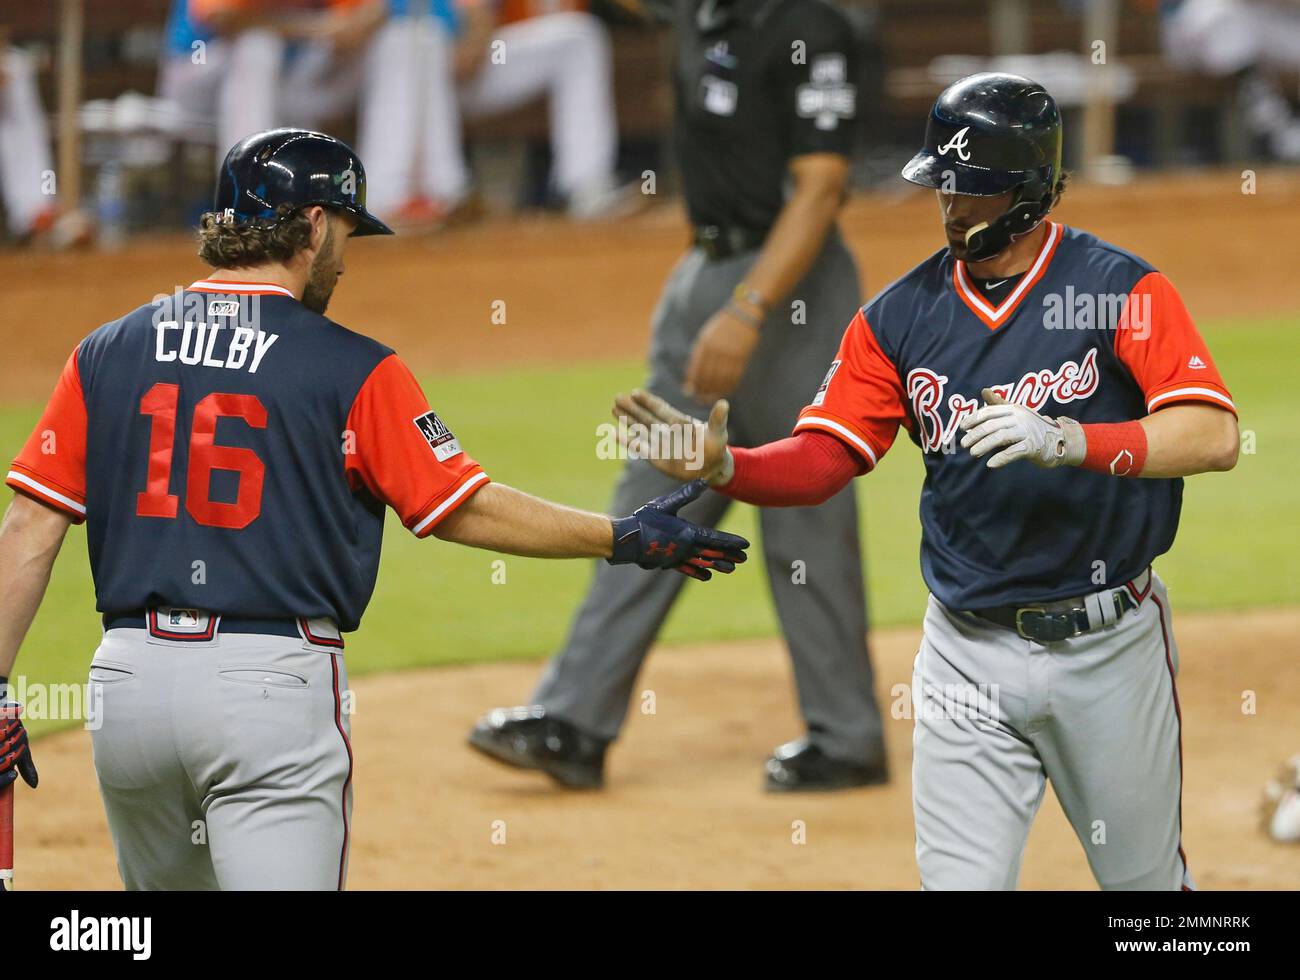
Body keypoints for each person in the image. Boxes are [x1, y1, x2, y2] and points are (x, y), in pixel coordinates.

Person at [0, 129, 747, 890]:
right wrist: (621, 536)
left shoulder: (106, 351)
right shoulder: (356, 366)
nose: (347, 260)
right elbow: (460, 506)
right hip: (268, 692)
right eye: (347, 233)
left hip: (127, 692)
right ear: (315, 224)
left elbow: (31, 523)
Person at [616, 73, 1240, 889]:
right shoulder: (898, 317)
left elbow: (1212, 433)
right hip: (963, 657)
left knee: (1148, 898)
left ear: (1026, 189)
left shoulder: (1121, 289)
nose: (951, 208)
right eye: (943, 186)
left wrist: (1069, 440)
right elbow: (824, 457)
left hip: (1108, 650)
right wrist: (728, 466)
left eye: (971, 190)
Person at [469, 0, 888, 793]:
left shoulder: (811, 30)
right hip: (703, 273)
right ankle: (574, 721)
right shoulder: (699, 12)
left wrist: (748, 309)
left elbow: (822, 189)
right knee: (655, 499)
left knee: (806, 506)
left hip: (788, 285)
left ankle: (846, 736)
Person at [358, 0, 629, 224]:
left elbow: (474, 13)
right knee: (414, 37)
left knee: (579, 36)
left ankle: (586, 186)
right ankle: (431, 192)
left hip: (460, 66)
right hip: (375, 66)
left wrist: (476, 37)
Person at [161, 0, 387, 161]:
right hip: (196, 69)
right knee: (257, 45)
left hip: (282, 83)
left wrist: (349, 26)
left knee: (387, 43)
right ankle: (248, 181)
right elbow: (224, 18)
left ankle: (383, 197)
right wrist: (317, 28)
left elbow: (372, 11)